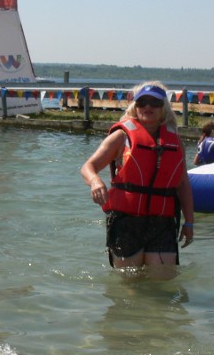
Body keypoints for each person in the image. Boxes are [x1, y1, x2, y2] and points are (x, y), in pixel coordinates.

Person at [80, 81, 195, 279]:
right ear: (135, 106)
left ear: (164, 109)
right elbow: (88, 167)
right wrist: (95, 181)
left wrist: (189, 222)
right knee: (129, 285)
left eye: (154, 103)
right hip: (126, 222)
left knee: (163, 281)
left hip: (162, 222)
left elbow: (183, 184)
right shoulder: (120, 136)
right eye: (142, 103)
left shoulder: (175, 142)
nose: (148, 107)